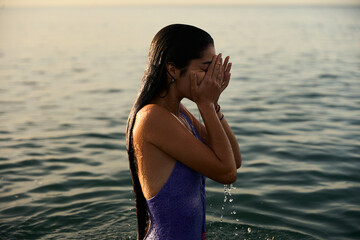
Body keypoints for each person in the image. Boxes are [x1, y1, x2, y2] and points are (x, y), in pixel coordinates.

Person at [126, 24, 241, 240]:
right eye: (206, 69)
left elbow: (234, 160)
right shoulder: (153, 118)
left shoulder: (179, 113)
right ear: (173, 70)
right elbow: (227, 174)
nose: (211, 79)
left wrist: (213, 106)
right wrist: (205, 103)